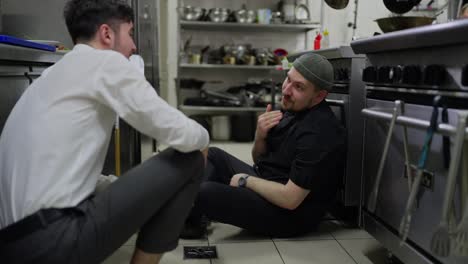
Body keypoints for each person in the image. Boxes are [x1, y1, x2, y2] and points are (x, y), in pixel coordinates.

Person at [0, 0, 209, 263]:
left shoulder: (54, 73)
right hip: (53, 242)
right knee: (190, 156)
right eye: (130, 33)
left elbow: (63, 170)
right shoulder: (104, 62)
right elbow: (182, 133)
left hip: (13, 246)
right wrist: (204, 144)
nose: (134, 46)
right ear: (107, 34)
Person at [182, 53, 346, 239]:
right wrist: (260, 136)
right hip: (271, 184)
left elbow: (290, 200)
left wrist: (246, 180)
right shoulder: (295, 108)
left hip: (291, 215)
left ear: (319, 96)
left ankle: (193, 215)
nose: (286, 90)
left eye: (298, 87)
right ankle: (194, 217)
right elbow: (261, 161)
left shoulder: (319, 132)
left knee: (204, 192)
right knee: (212, 155)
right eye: (288, 79)